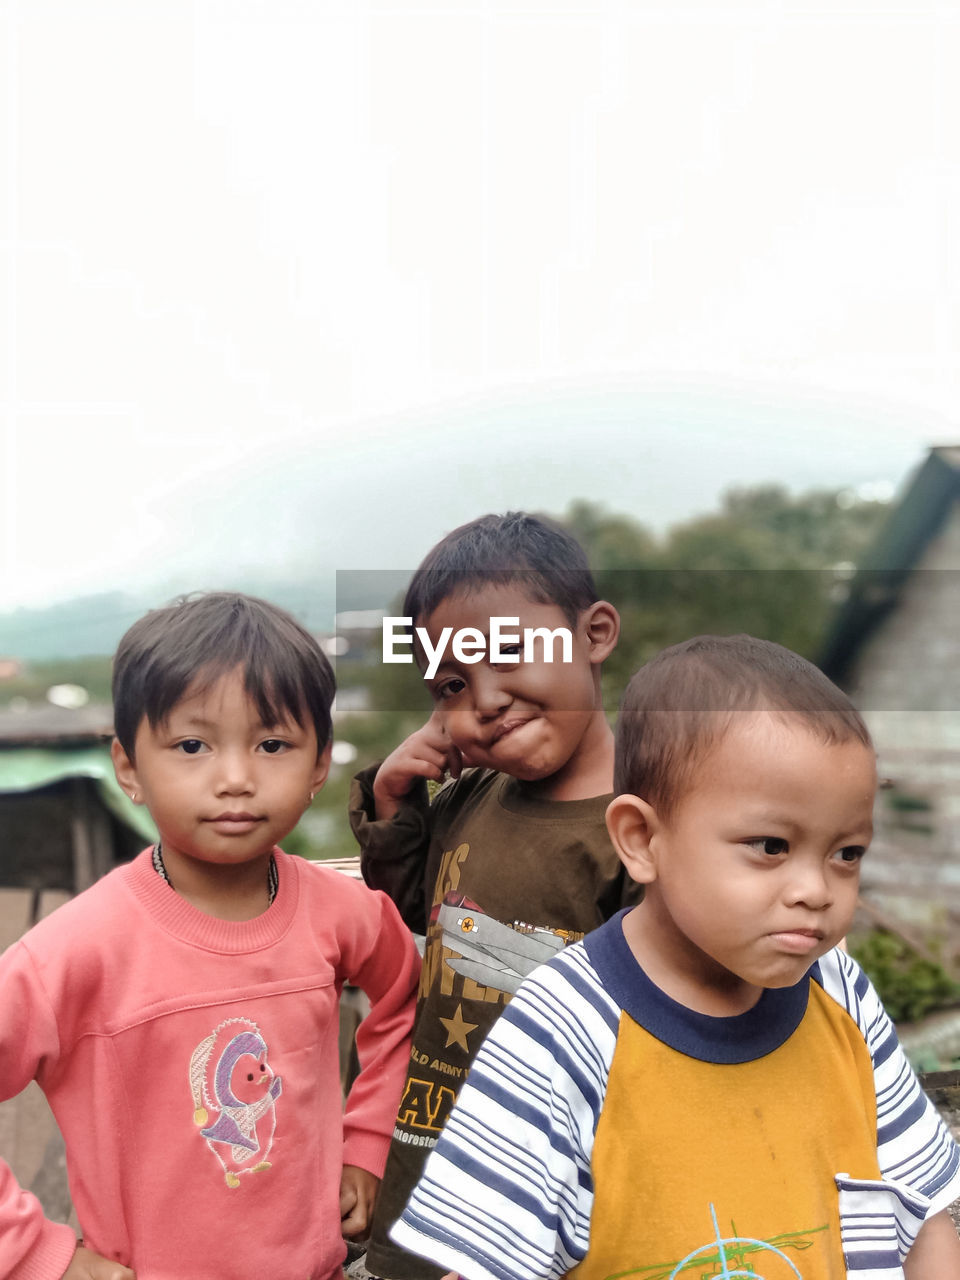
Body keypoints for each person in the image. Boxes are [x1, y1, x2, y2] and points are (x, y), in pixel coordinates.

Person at [392, 634, 960, 1280]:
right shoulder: (562, 1033)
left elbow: (923, 1215)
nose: (816, 892)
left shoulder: (842, 995)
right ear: (641, 839)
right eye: (771, 845)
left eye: (847, 854)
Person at [0, 592, 420, 1280]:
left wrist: (368, 1141)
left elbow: (406, 1002)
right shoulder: (76, 952)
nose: (234, 779)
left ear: (319, 765)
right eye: (191, 745)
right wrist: (41, 1255)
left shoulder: (342, 912)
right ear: (128, 767)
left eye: (273, 744)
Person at [349, 512, 639, 1280]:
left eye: (509, 652)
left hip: (559, 1183)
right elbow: (423, 910)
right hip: (435, 1151)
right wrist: (393, 807)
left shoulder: (642, 832)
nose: (483, 700)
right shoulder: (470, 797)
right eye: (451, 686)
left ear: (596, 633)